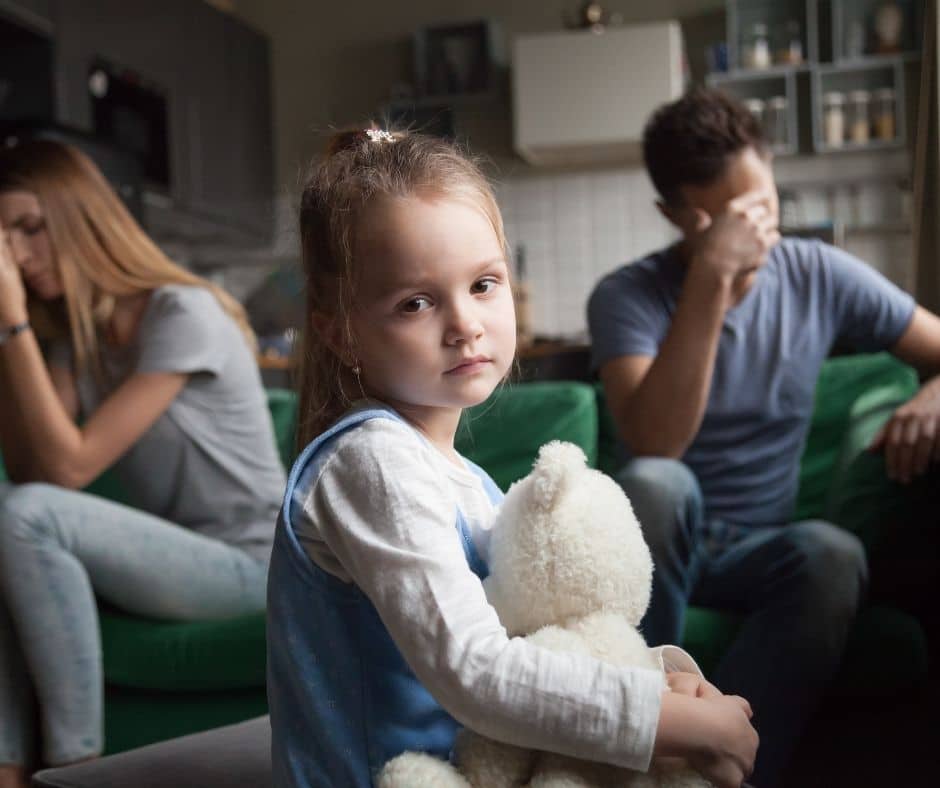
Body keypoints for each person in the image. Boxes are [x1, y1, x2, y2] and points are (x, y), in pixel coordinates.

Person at [265, 126, 759, 788]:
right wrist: (677, 723)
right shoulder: (370, 462)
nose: (464, 322)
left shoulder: (468, 483)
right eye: (416, 302)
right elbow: (477, 670)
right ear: (341, 332)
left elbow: (537, 641)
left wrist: (664, 680)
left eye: (484, 284)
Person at [587, 87, 940, 787]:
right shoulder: (626, 295)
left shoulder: (818, 275)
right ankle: (641, 741)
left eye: (765, 208)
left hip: (759, 545)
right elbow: (657, 443)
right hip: (661, 542)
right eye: (732, 218)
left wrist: (936, 390)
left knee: (833, 553)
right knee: (657, 482)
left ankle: (718, 775)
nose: (756, 233)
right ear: (676, 216)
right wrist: (712, 277)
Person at [0, 140, 286, 788]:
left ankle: (75, 767)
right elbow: (30, 471)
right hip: (183, 560)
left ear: (81, 218)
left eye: (29, 227)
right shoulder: (82, 344)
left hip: (253, 562)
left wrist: (11, 321)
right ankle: (8, 769)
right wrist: (13, 334)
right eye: (3, 236)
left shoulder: (182, 312)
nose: (16, 253)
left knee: (24, 514)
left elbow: (67, 473)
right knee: (9, 512)